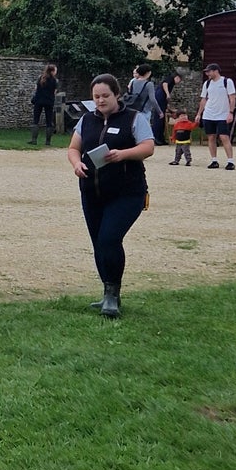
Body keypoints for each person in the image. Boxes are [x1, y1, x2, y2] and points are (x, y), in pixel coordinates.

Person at [69, 72, 155, 317]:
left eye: (105, 95)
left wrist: (122, 154)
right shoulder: (86, 120)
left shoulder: (134, 118)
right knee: (99, 243)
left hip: (127, 193)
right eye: (96, 96)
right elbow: (74, 148)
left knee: (109, 239)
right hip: (92, 192)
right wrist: (76, 163)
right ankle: (108, 291)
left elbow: (148, 147)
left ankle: (112, 295)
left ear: (117, 95)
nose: (100, 100)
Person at [198, 62, 236, 169]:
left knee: (224, 137)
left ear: (216, 71)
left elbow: (232, 98)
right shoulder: (207, 83)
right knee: (211, 137)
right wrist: (199, 113)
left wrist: (231, 112)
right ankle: (214, 160)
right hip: (209, 114)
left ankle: (230, 161)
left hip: (222, 114)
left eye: (209, 72)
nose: (207, 74)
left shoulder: (227, 82)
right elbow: (203, 99)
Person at [124, 62, 164, 127]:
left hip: (133, 109)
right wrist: (159, 112)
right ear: (147, 73)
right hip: (144, 110)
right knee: (144, 129)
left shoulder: (133, 82)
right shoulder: (149, 84)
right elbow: (152, 99)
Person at [29, 63, 60, 145]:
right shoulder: (55, 81)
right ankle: (48, 141)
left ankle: (34, 140)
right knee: (49, 121)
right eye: (55, 70)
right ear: (52, 71)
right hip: (49, 102)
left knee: (36, 120)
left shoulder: (40, 78)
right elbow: (55, 92)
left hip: (38, 101)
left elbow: (36, 89)